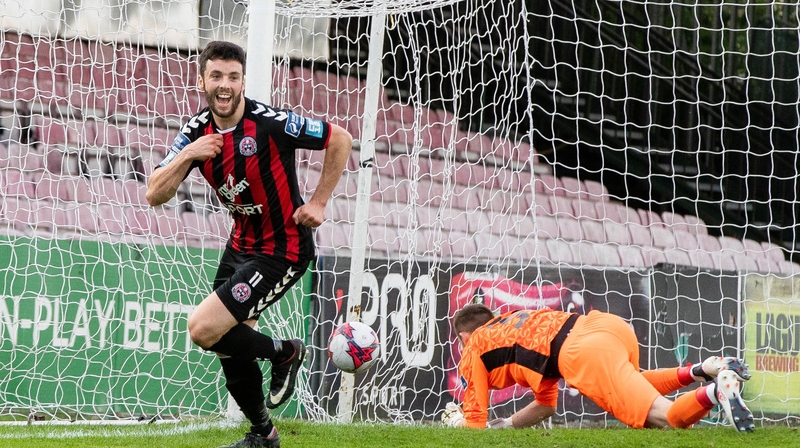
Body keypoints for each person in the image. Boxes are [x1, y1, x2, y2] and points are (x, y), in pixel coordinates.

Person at [146, 40, 352, 448]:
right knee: (229, 345)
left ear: (243, 81)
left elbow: (340, 138)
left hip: (284, 248)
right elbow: (154, 193)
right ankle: (264, 435)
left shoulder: (271, 123)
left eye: (233, 77)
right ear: (202, 79)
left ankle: (285, 353)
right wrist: (188, 154)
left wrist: (319, 201)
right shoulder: (195, 132)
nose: (225, 86)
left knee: (203, 329)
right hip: (241, 243)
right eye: (216, 76)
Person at [442, 303, 755, 432]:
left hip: (581, 354)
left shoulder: (474, 347)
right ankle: (701, 369)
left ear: (465, 336)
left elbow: (474, 425)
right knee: (633, 381)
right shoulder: (515, 322)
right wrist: (507, 425)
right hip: (605, 326)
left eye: (460, 340)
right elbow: (546, 407)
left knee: (665, 418)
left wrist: (459, 424)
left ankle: (716, 391)